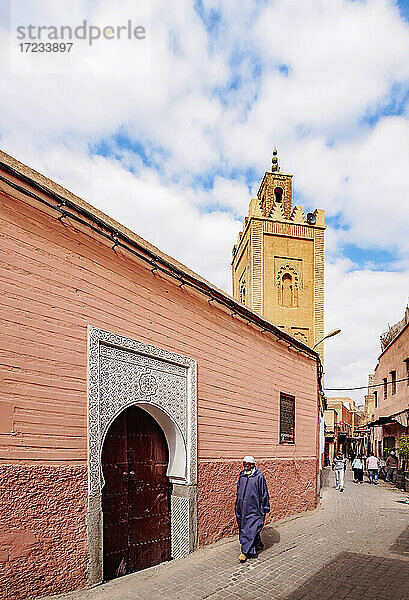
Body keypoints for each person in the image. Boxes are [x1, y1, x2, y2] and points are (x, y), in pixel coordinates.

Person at [235, 456, 270, 563]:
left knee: (249, 528)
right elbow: (238, 490)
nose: (245, 467)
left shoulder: (259, 477)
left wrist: (265, 506)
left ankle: (245, 552)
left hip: (254, 508)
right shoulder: (242, 475)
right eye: (244, 464)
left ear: (253, 465)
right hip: (242, 507)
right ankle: (258, 543)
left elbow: (264, 493)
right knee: (246, 527)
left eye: (247, 465)